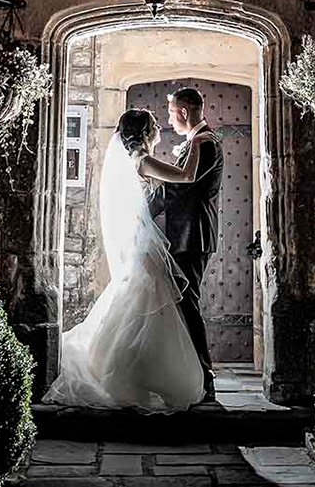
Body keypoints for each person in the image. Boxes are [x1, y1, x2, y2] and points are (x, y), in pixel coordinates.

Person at [41, 107, 212, 410]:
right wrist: (196, 143)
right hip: (143, 246)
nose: (160, 128)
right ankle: (132, 372)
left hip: (139, 242)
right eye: (154, 124)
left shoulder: (134, 159)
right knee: (145, 303)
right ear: (145, 132)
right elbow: (186, 176)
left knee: (139, 302)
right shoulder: (142, 160)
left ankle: (138, 370)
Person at [153, 86, 222, 405]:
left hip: (192, 235)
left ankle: (205, 378)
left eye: (171, 113)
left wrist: (143, 209)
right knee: (182, 302)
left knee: (188, 303)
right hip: (185, 234)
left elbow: (181, 188)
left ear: (184, 111)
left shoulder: (205, 143)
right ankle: (189, 374)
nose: (169, 120)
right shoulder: (200, 141)